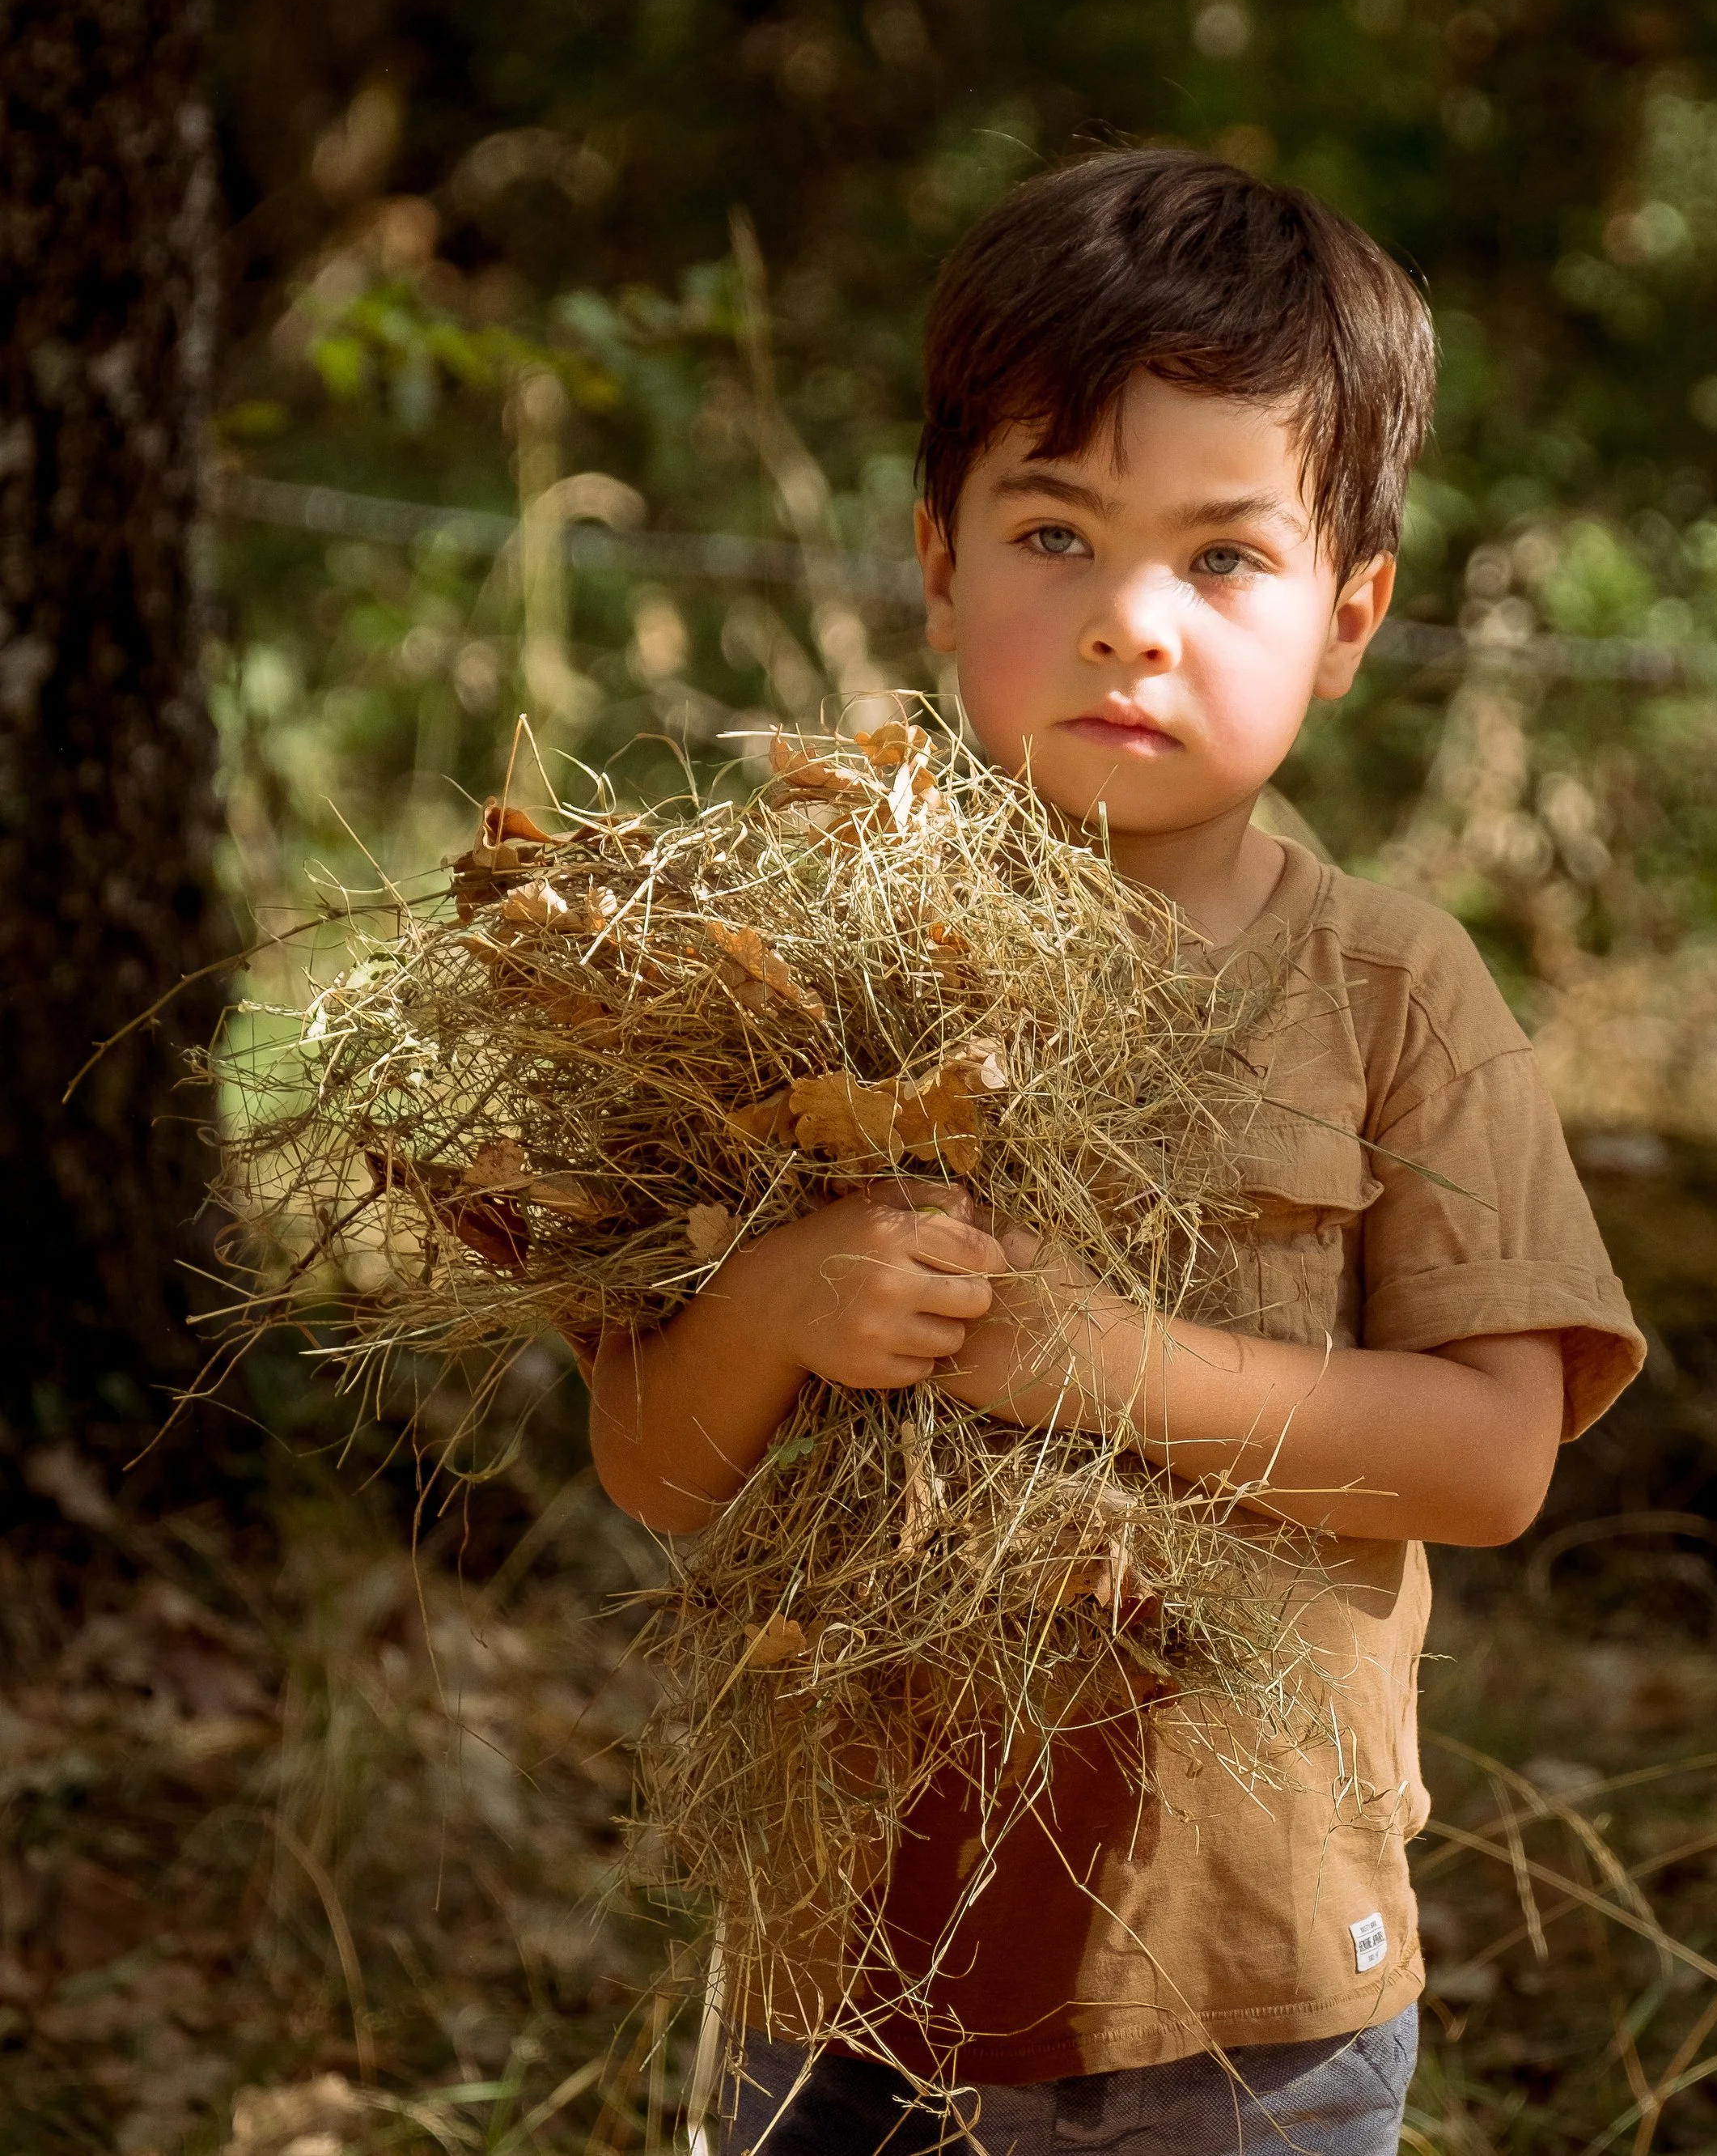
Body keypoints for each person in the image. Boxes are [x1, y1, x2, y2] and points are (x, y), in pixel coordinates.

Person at [590, 149, 1644, 2156]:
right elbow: (653, 1467)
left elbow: (1494, 1455)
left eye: (1222, 560)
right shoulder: (787, 973)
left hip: (1239, 1989)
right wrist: (788, 1297)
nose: (1125, 627)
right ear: (934, 558)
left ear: (1349, 618)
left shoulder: (1391, 989)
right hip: (842, 1969)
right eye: (1054, 535)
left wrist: (1096, 1366)